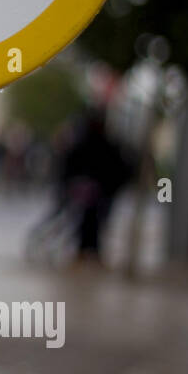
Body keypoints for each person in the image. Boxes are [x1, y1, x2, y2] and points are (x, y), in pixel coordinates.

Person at [60, 110, 130, 266]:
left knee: (89, 222)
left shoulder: (86, 144)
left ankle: (87, 251)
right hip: (97, 195)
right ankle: (89, 252)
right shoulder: (106, 145)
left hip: (94, 194)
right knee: (92, 222)